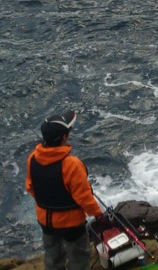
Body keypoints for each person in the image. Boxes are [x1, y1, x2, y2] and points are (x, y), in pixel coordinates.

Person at [26, 110, 104, 270]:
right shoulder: (72, 164)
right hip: (71, 224)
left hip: (45, 221)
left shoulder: (32, 158)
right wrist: (98, 215)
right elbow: (84, 197)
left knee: (53, 256)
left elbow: (31, 187)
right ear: (64, 137)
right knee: (79, 258)